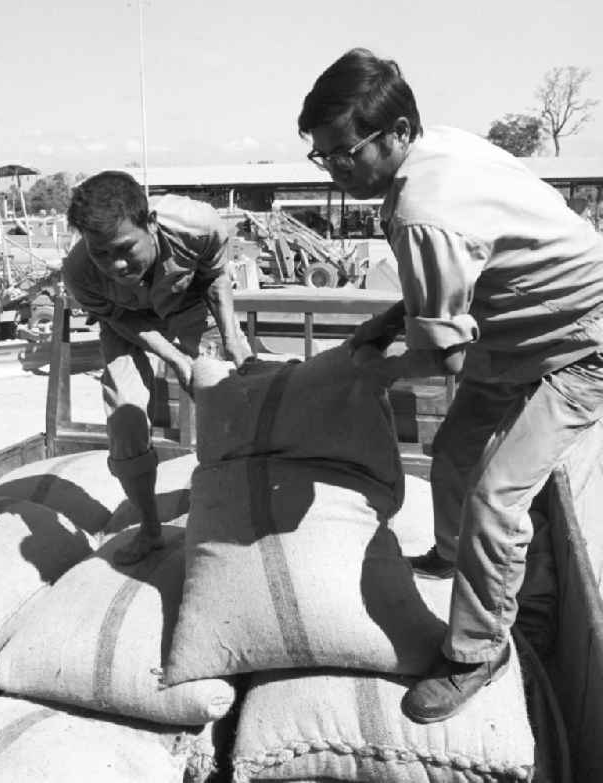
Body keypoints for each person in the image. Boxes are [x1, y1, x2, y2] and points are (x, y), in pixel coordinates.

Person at [298, 48, 603, 723]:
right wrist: (387, 321)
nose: (336, 168)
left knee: (497, 496)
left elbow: (439, 361)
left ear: (398, 131)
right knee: (456, 450)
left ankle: (476, 649)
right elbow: (456, 275)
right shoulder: (437, 148)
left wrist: (359, 380)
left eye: (345, 152)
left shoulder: (423, 207)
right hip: (517, 324)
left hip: (583, 342)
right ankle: (449, 550)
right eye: (323, 156)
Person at [64, 171, 253, 565]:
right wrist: (175, 358)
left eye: (124, 248)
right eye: (101, 254)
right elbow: (121, 321)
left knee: (224, 399)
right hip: (129, 324)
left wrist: (233, 342)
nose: (115, 265)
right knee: (125, 416)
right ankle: (150, 530)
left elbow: (216, 276)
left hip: (187, 305)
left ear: (150, 224)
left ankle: (240, 511)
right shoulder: (79, 271)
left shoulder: (198, 226)